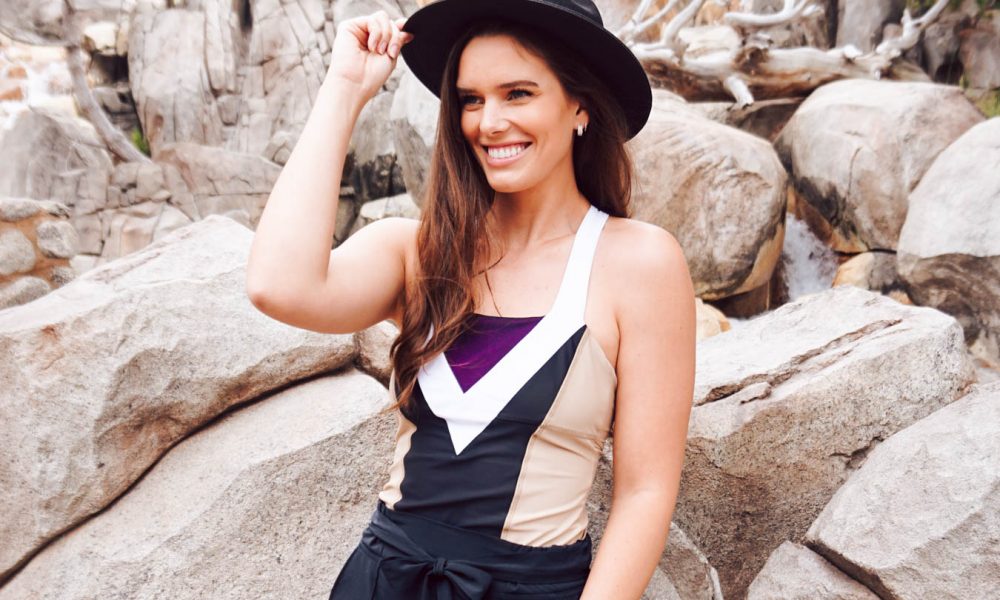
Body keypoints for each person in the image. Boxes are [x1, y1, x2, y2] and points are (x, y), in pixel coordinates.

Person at [246, 0, 697, 597]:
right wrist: (344, 89)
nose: (489, 122)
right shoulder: (417, 251)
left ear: (580, 104)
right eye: (471, 99)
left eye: (518, 94)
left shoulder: (640, 263)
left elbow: (645, 492)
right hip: (382, 578)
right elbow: (278, 286)